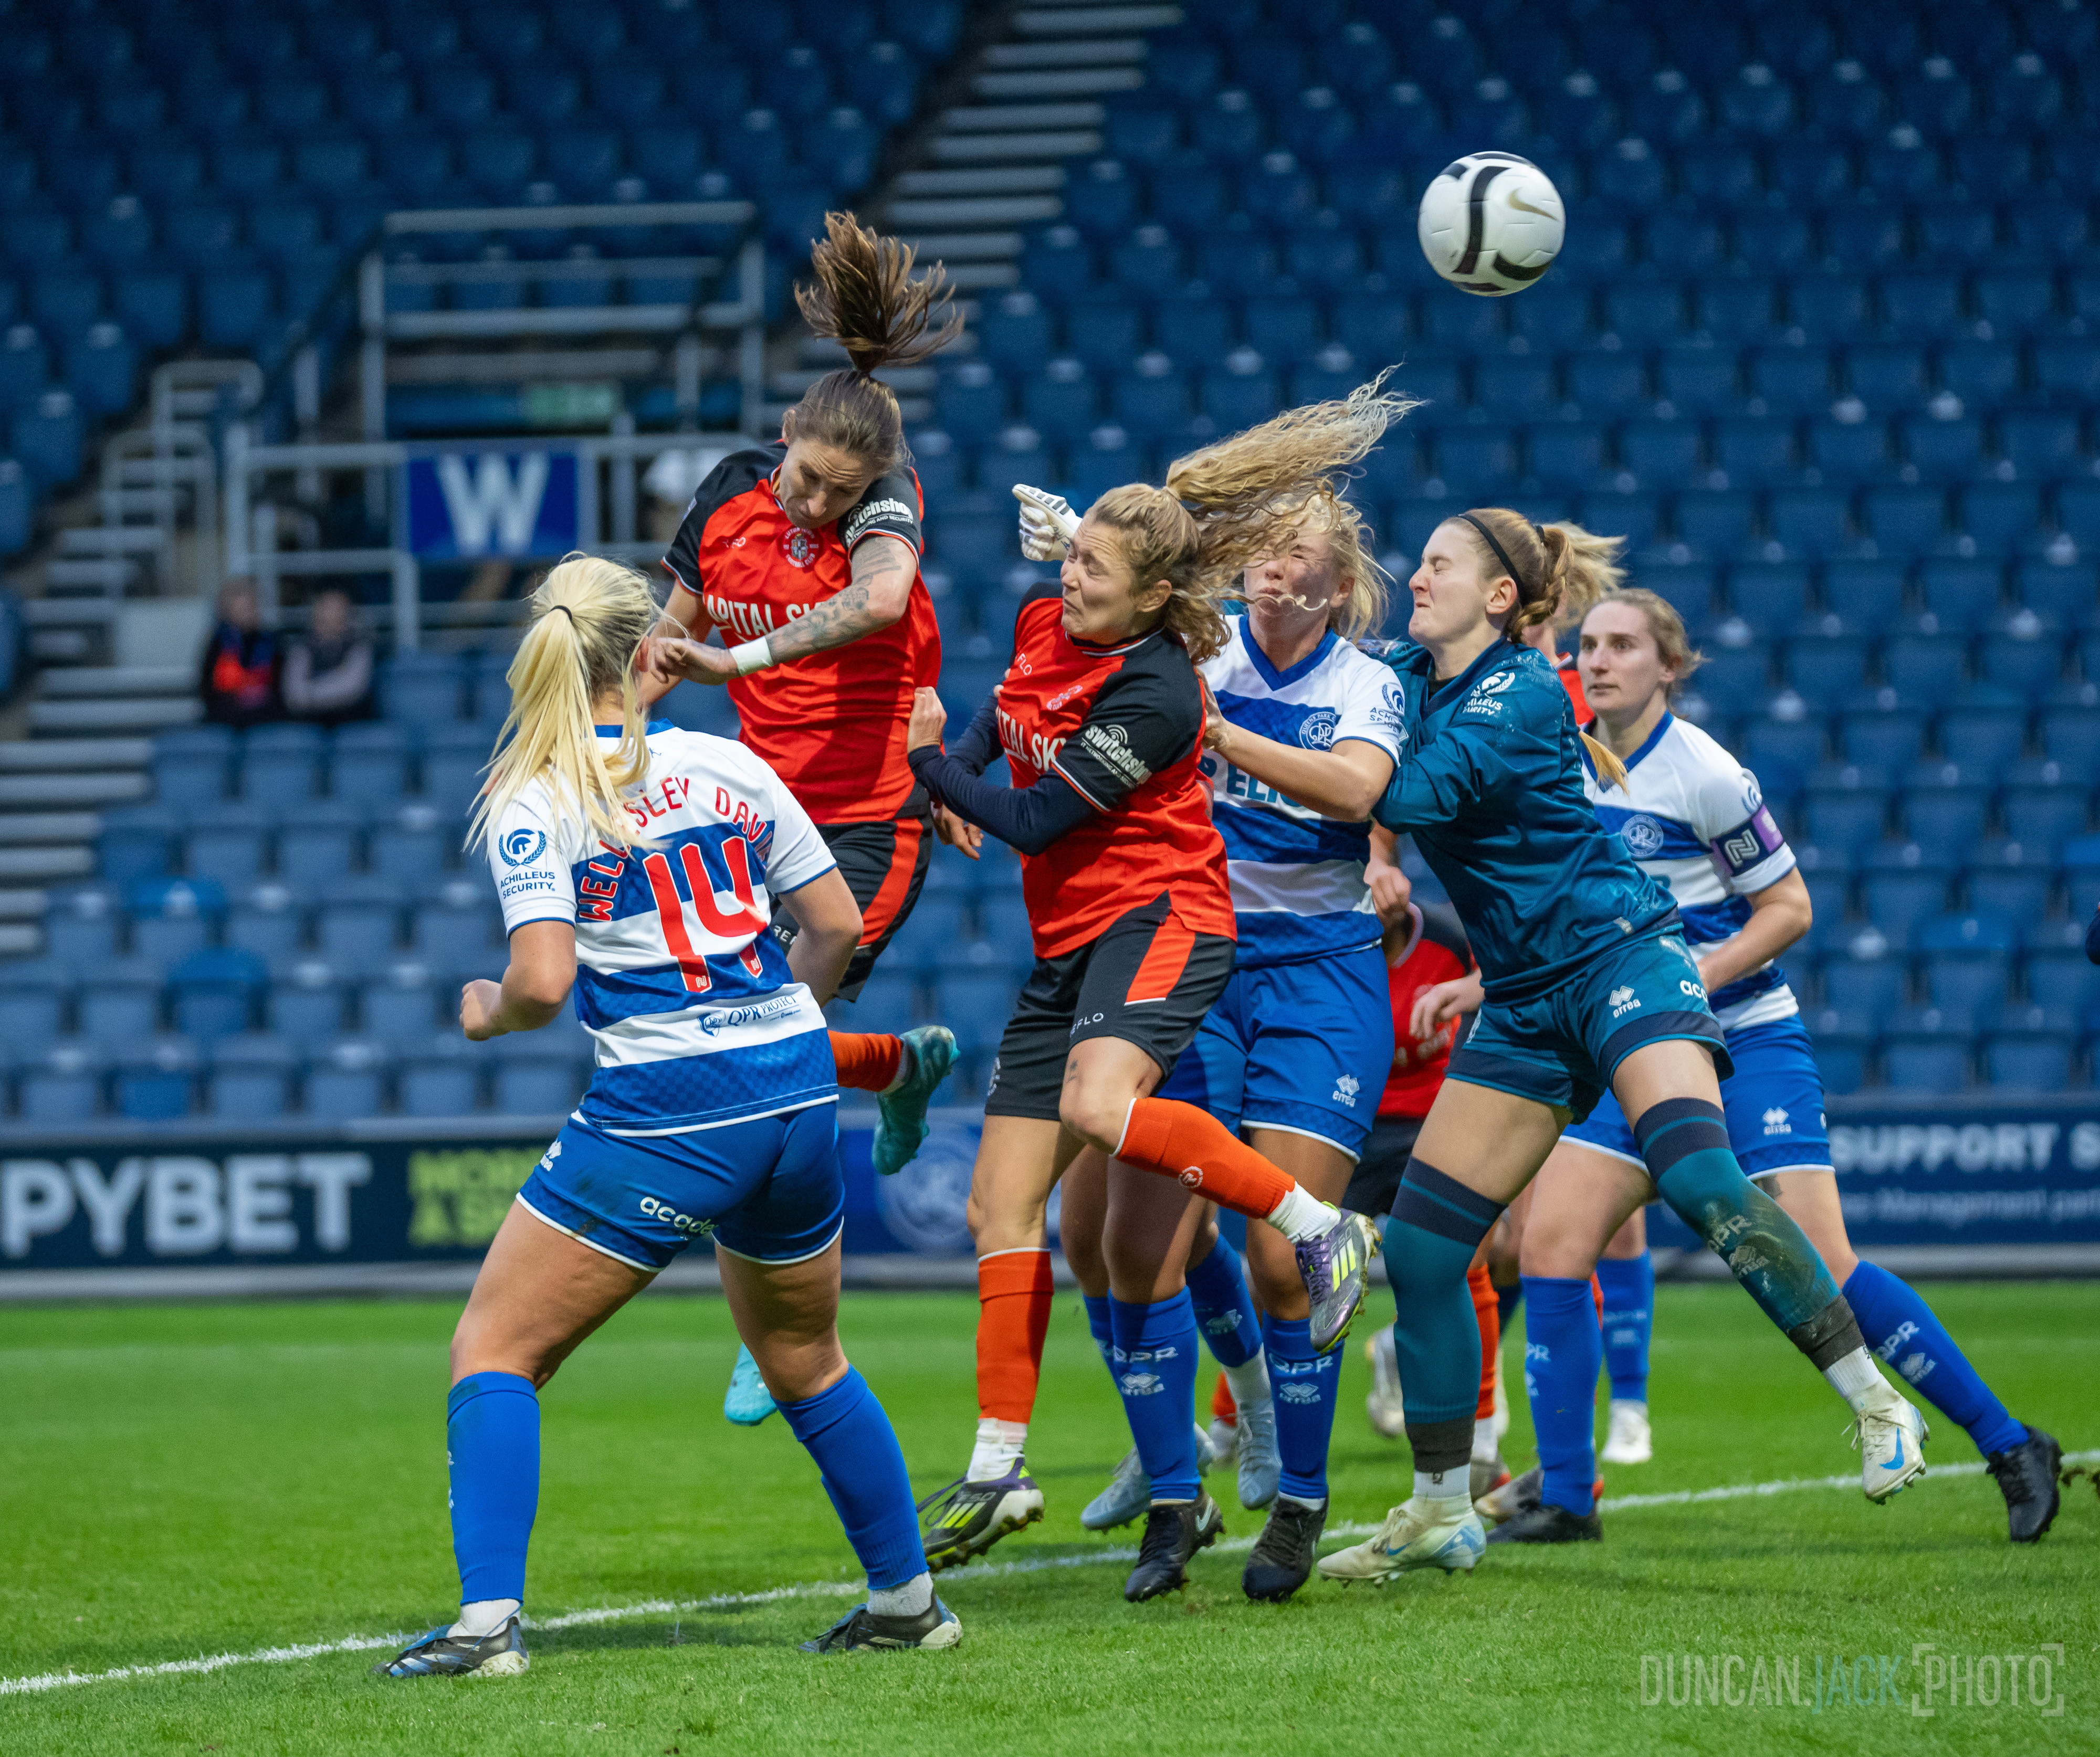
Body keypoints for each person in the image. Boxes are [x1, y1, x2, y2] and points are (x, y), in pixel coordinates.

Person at [1193, 508, 1930, 1588]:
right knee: (1425, 1253)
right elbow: (1329, 673)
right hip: (1527, 1001)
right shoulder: (1405, 669)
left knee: (1696, 1173)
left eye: (1441, 562)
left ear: (1499, 597)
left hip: (1623, 955)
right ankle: (1442, 1506)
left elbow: (1393, 792)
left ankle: (1874, 1401)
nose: (1420, 572)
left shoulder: (1521, 689)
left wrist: (1221, 730)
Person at [377, 557, 960, 1676]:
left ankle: (485, 1626)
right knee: (805, 1357)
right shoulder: (728, 763)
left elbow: (543, 982)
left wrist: (487, 1012)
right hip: (794, 1081)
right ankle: (905, 1600)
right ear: (647, 651)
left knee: (493, 1348)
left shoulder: (538, 791)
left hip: (666, 1103)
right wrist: (772, 1011)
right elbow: (834, 924)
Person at [900, 392, 1408, 1600]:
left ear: (1334, 591)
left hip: (1304, 964)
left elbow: (1349, 792)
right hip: (1181, 961)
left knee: (1274, 1262)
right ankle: (1173, 1488)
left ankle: (1294, 1491)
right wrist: (1075, 543)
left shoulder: (1360, 683)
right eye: (1262, 560)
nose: (1272, 581)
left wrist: (1259, 764)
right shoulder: (1199, 643)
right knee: (1128, 1255)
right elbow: (1123, 592)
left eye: (1298, 567)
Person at [1492, 588, 2062, 1543]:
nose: (1598, 661)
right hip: (1623, 1044)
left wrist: (1684, 983)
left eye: (1623, 645)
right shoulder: (1565, 764)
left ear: (1668, 666)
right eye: (1588, 645)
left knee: (1826, 1265)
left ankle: (2010, 1445)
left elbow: (1789, 907)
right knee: (1551, 1246)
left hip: (1742, 1038)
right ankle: (1567, 1496)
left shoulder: (1708, 772)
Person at [652, 211, 964, 1185]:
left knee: (761, 1045)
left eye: (842, 491)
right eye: (807, 478)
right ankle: (899, 1065)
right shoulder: (730, 494)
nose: (817, 504)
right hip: (758, 814)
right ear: (782, 436)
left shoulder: (886, 500)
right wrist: (601, 751)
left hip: (872, 818)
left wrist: (742, 666)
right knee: (738, 1040)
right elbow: (668, 641)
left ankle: (775, 1328)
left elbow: (881, 600)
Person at [281, 588, 375, 726]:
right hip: (309, 719)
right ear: (316, 611)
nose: (333, 613)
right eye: (327, 606)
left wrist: (312, 693)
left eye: (338, 607)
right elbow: (294, 693)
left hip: (349, 718)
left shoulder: (360, 646)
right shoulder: (300, 648)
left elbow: (351, 688)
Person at [199, 576, 280, 728]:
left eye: (252, 604)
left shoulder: (272, 642)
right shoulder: (218, 645)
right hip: (226, 720)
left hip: (265, 719)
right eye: (242, 605)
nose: (248, 610)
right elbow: (208, 691)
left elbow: (279, 690)